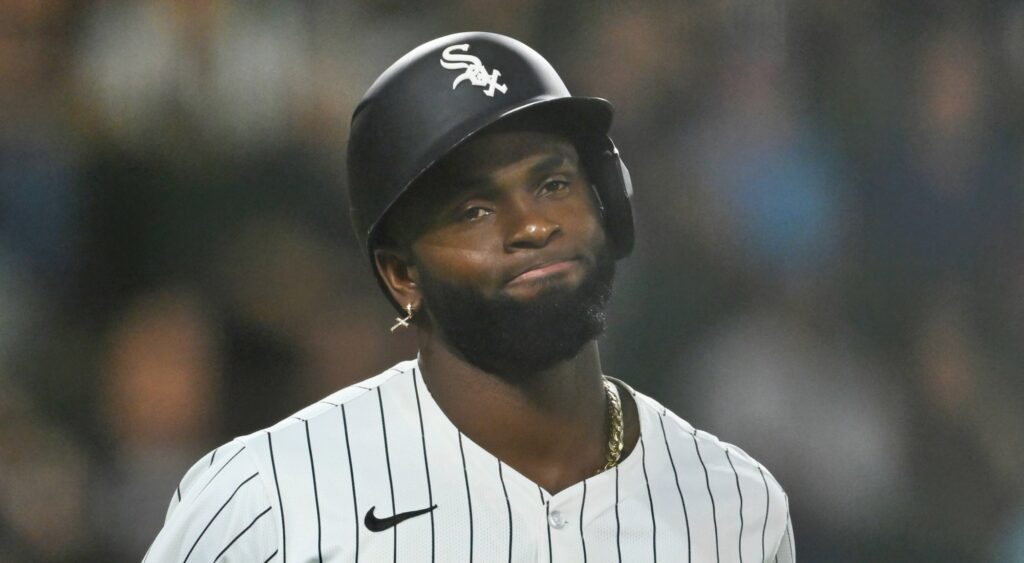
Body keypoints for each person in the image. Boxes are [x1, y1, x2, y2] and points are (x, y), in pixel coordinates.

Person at [145, 31, 794, 562]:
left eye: (553, 183)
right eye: (474, 209)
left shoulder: (736, 504)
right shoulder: (269, 499)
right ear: (403, 274)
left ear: (607, 202)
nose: (533, 226)